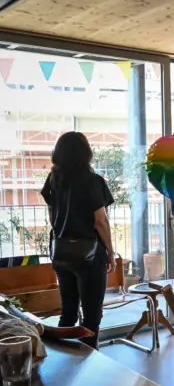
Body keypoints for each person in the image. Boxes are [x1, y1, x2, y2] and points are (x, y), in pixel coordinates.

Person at [41, 132, 115, 349]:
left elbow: (52, 216)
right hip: (89, 255)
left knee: (68, 313)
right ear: (86, 153)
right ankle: (89, 362)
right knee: (91, 317)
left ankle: (64, 360)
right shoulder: (93, 181)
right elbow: (100, 221)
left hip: (62, 253)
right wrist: (110, 253)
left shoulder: (54, 179)